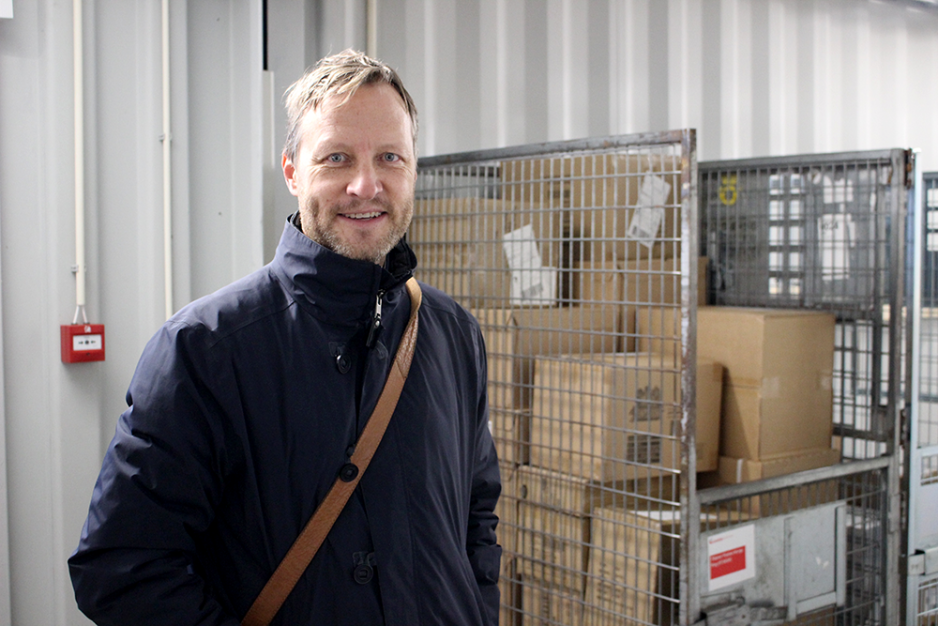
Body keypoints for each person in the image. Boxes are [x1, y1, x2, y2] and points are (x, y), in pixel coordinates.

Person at [69, 49, 502, 626]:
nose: (365, 184)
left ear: (413, 169)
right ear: (293, 170)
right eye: (337, 158)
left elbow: (477, 516)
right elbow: (122, 568)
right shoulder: (204, 349)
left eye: (389, 157)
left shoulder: (453, 335)